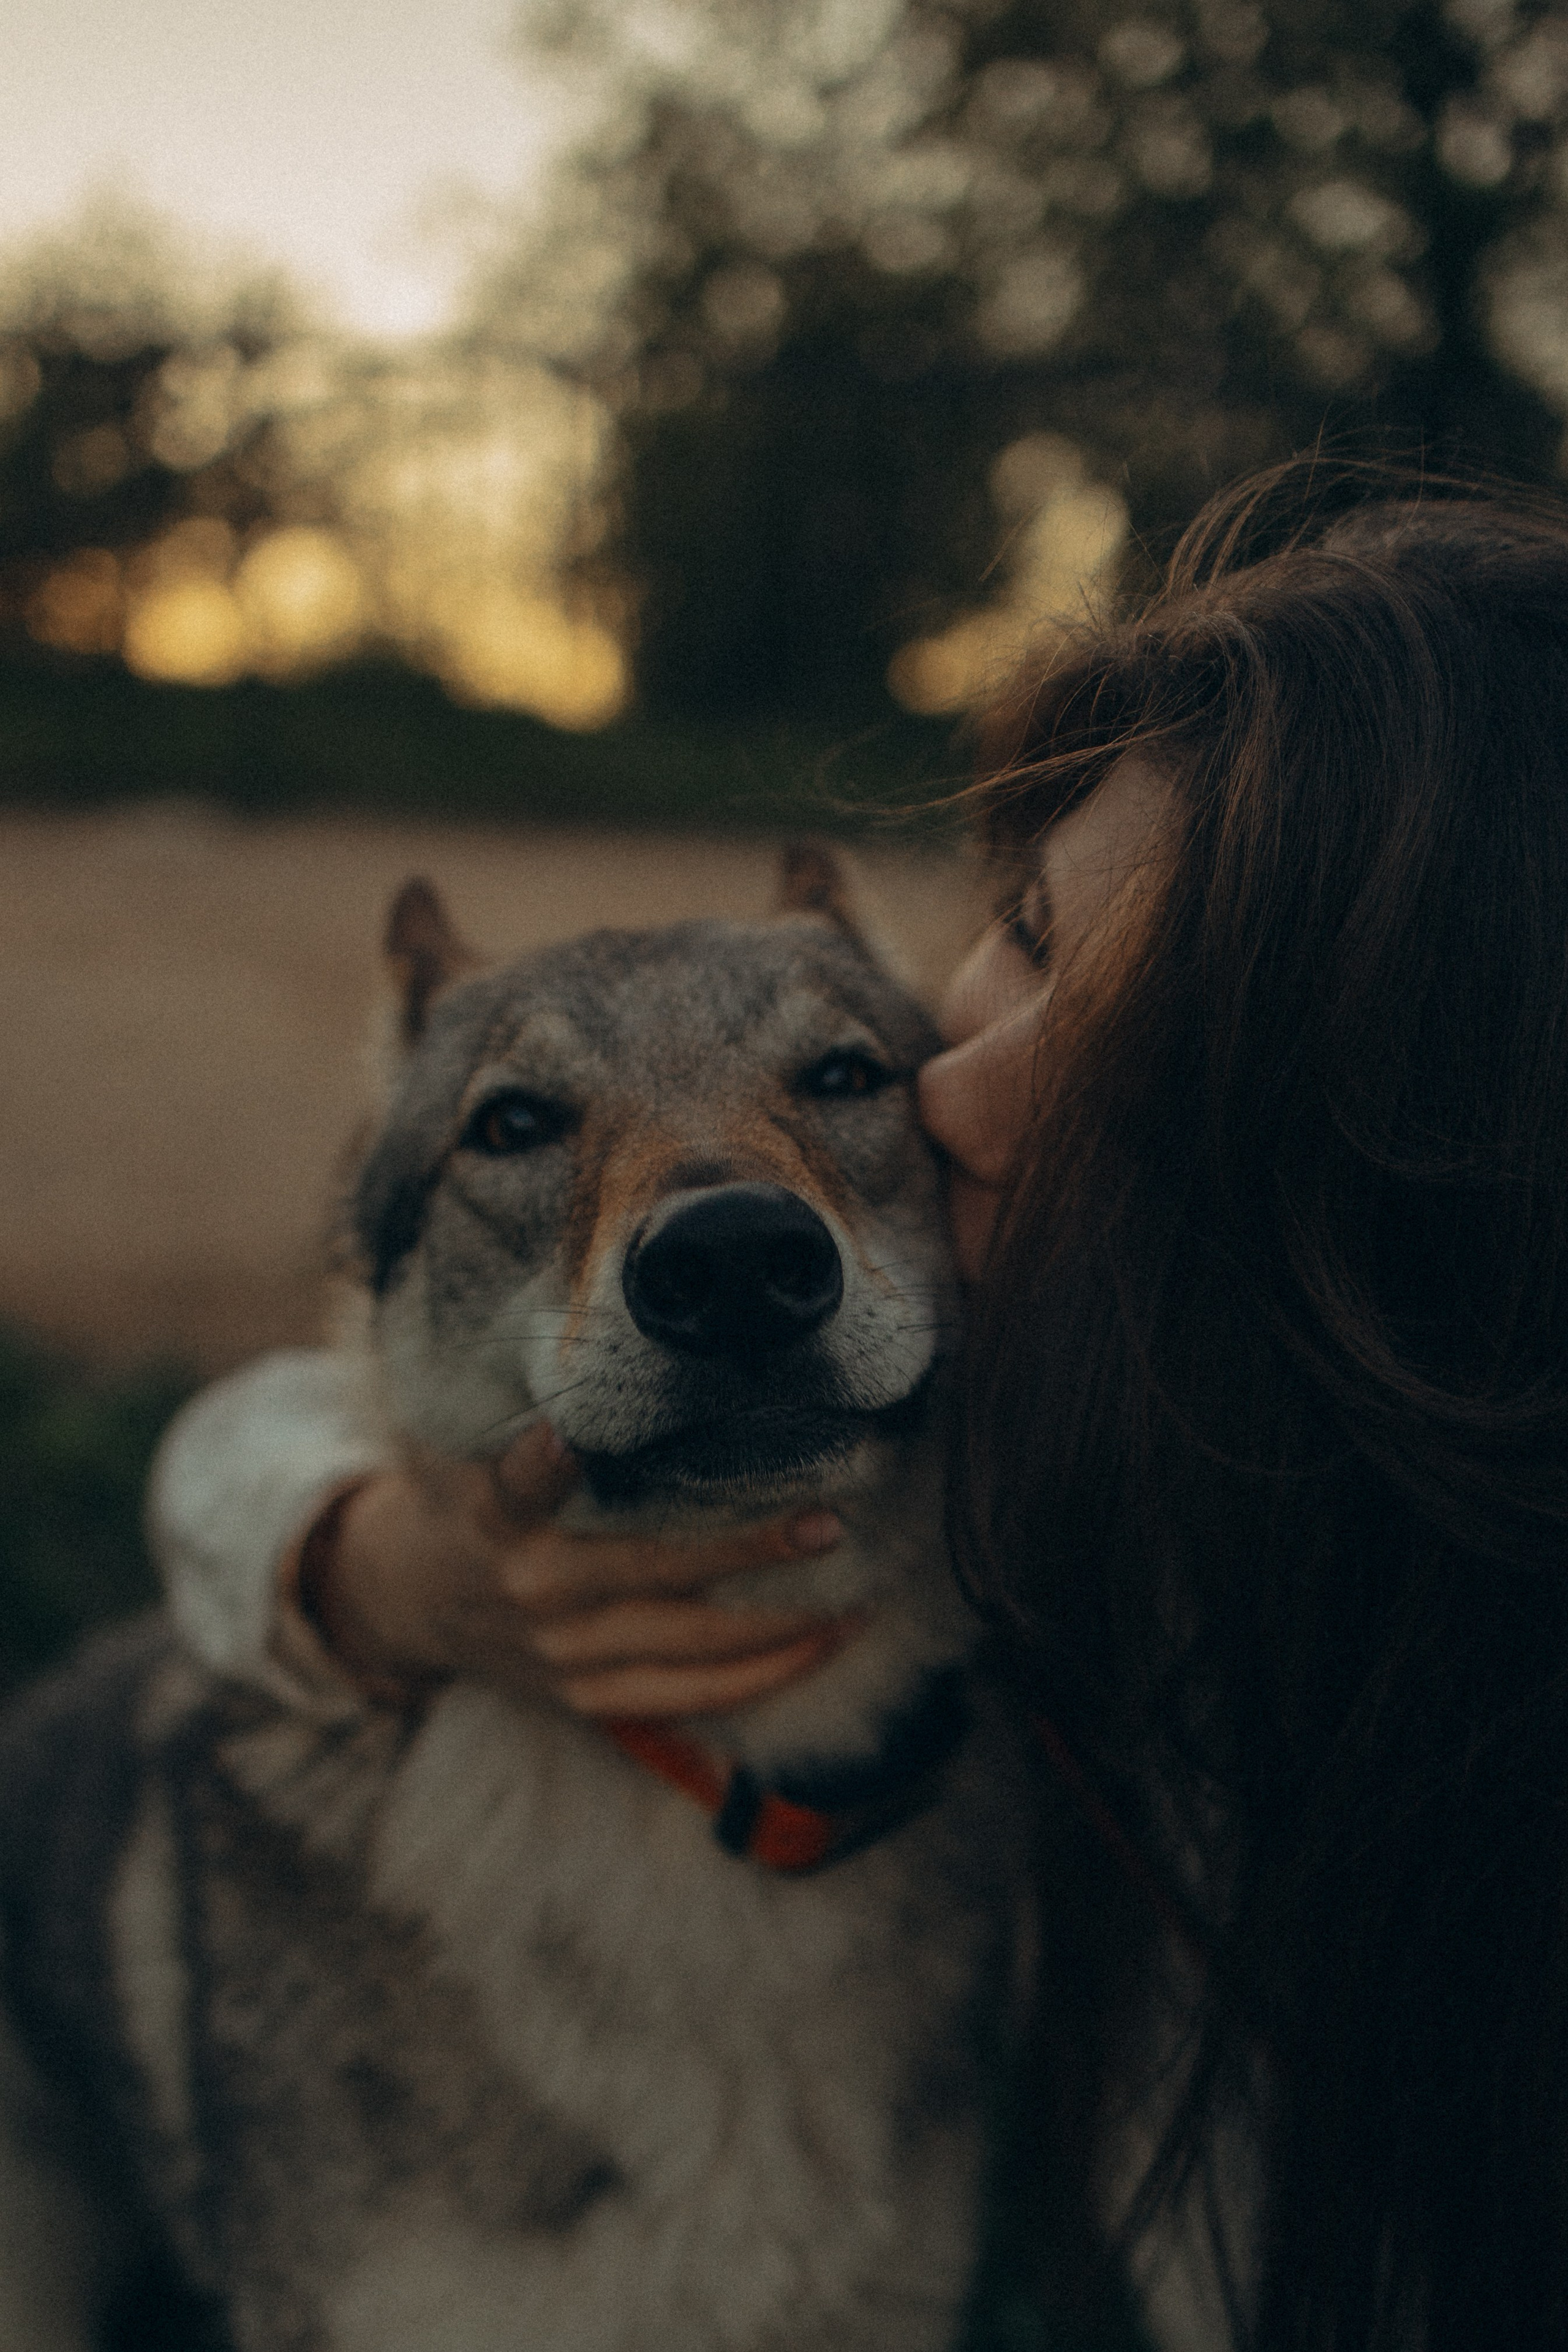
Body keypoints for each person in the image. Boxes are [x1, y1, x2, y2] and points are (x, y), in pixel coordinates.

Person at [151, 466, 1568, 2350]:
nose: (947, 1100)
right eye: (1033, 938)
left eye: (1175, 1049)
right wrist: (366, 1566)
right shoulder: (994, 1314)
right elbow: (245, 1437)